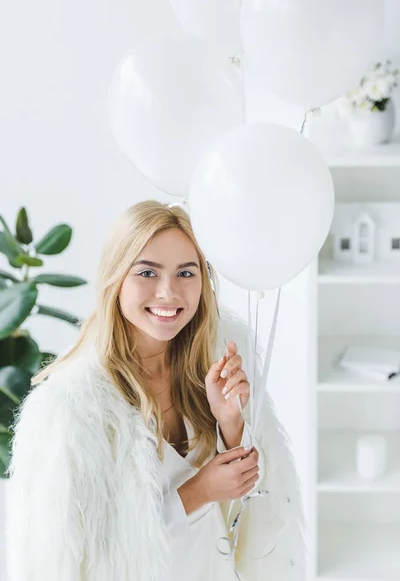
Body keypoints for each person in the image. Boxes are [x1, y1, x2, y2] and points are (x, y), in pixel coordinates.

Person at [6, 200, 306, 581]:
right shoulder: (71, 408)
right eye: (148, 272)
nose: (169, 292)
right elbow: (83, 557)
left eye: (186, 272)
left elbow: (257, 513)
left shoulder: (215, 361)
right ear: (116, 279)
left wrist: (230, 423)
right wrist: (197, 491)